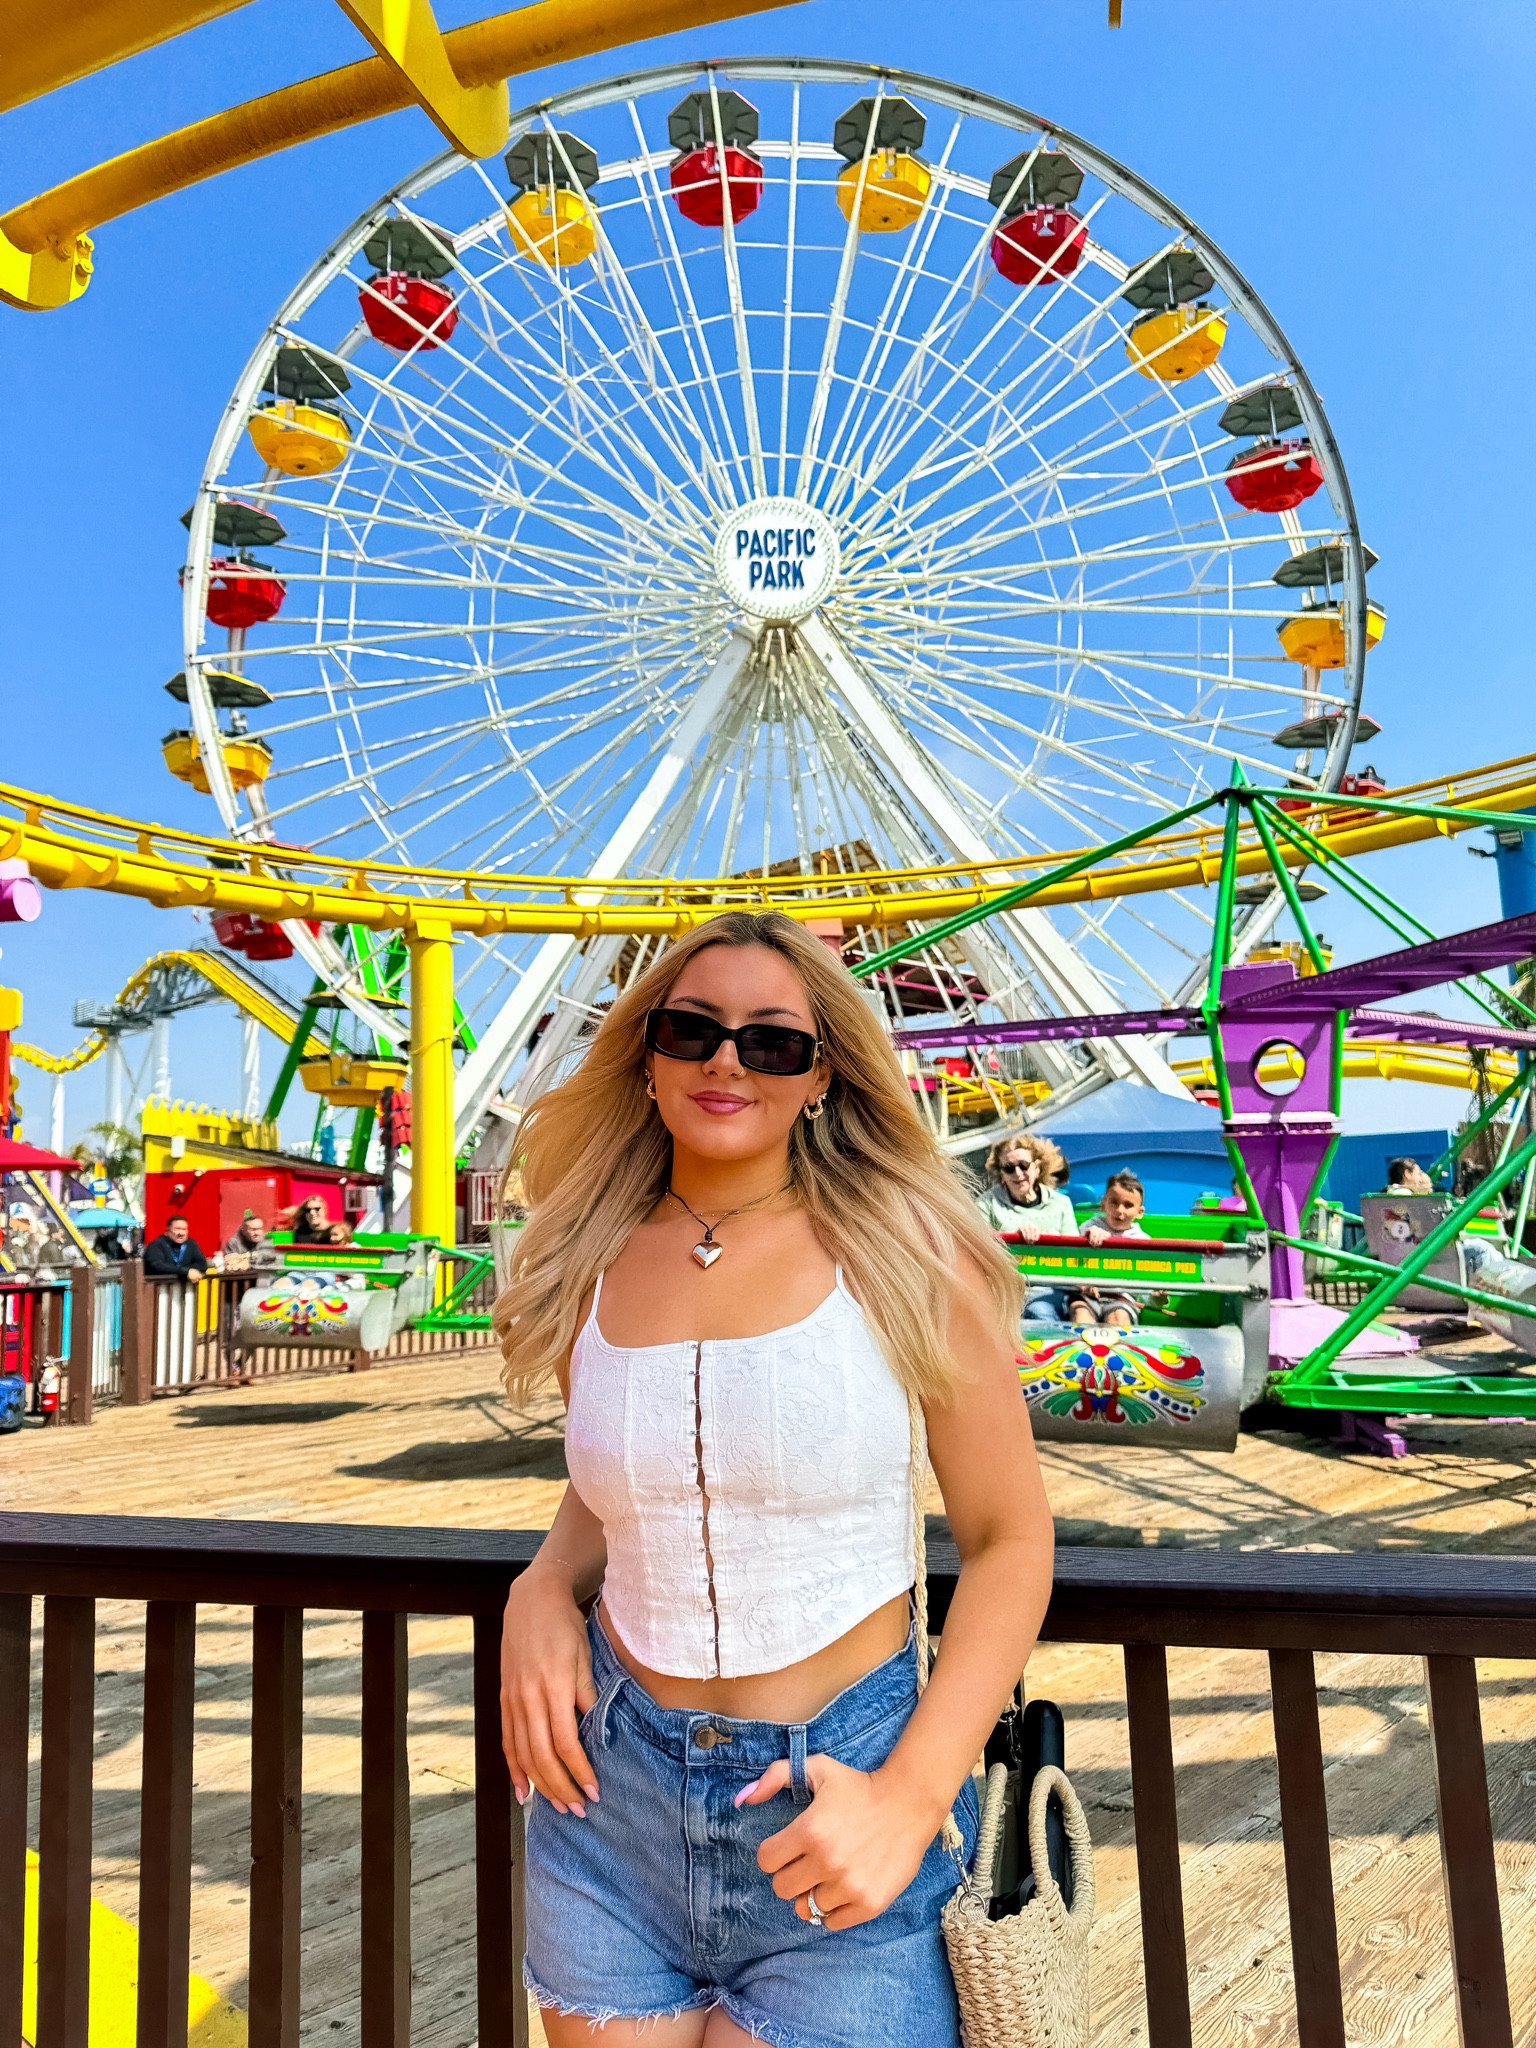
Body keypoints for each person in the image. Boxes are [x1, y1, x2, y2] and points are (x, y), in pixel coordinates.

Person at [495, 910, 1053, 2048]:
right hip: (607, 1799)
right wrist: (541, 1585)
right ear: (646, 1055)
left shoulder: (909, 1251)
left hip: (850, 1793)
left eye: (773, 1041)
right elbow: (629, 1474)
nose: (726, 1061)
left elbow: (1009, 1537)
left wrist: (910, 1797)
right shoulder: (586, 1256)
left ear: (823, 1076)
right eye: (691, 1029)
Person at [976, 1134, 1075, 1323]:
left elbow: (1073, 1253)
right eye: (1009, 1168)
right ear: (1001, 1174)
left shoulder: (1061, 1204)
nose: (1018, 1173)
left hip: (1048, 1287)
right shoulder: (987, 1204)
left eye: (1023, 1165)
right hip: (1005, 1288)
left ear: (1037, 1167)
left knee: (1039, 1312)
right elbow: (980, 1245)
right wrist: (1015, 1239)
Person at [1067, 1170, 1149, 1328]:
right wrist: (1083, 1284)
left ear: (1140, 1212)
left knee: (1118, 1319)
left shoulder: (1142, 1240)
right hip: (1087, 1295)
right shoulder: (1089, 1227)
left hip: (1122, 1298)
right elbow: (1073, 1261)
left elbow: (1148, 1288)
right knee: (1081, 1316)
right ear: (1103, 1203)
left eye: (1128, 1205)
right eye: (1114, 1202)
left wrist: (1158, 1297)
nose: (1120, 1210)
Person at [142, 1214, 209, 1284]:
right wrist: (185, 1272)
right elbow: (157, 1266)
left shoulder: (191, 1244)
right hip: (160, 1286)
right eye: (177, 1229)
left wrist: (189, 1271)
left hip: (186, 1287)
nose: (181, 1233)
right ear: (168, 1230)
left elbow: (202, 1264)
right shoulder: (156, 1245)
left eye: (184, 1229)